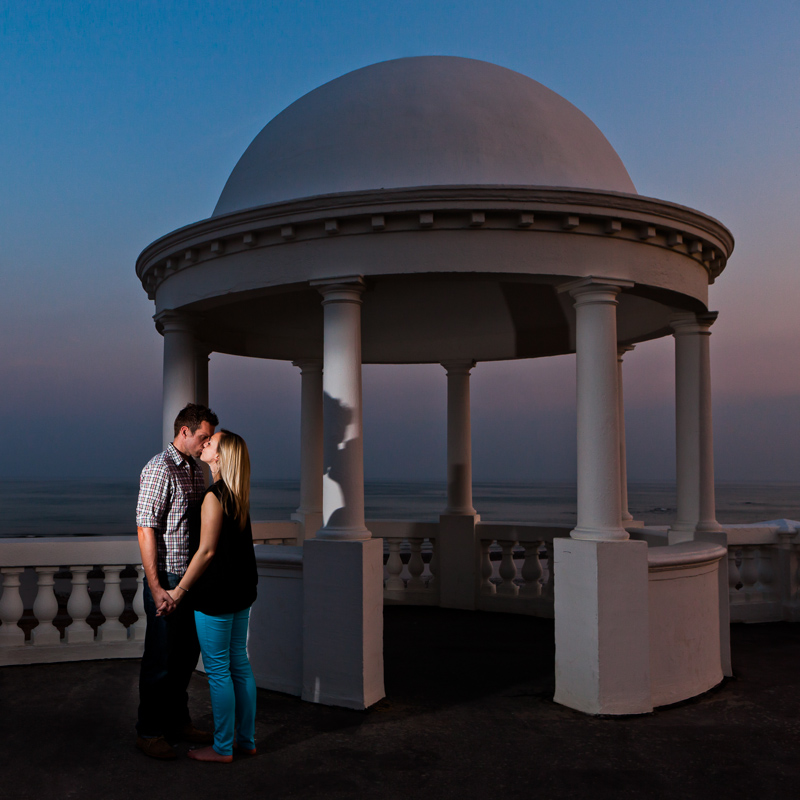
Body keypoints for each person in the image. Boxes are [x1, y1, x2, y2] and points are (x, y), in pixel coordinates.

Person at [167, 429, 258, 763]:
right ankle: (245, 741)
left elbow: (205, 552)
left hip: (217, 595)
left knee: (219, 670)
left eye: (212, 443)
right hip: (241, 591)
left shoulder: (214, 496)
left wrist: (179, 590)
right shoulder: (238, 494)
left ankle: (222, 748)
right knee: (240, 665)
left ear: (220, 456)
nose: (205, 445)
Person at [135, 403, 219, 759]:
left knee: (186, 657)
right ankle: (149, 732)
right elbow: (145, 529)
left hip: (188, 580)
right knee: (161, 660)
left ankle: (177, 722)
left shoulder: (195, 471)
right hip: (167, 581)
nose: (206, 442)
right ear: (184, 432)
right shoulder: (159, 468)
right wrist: (156, 589)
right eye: (203, 436)